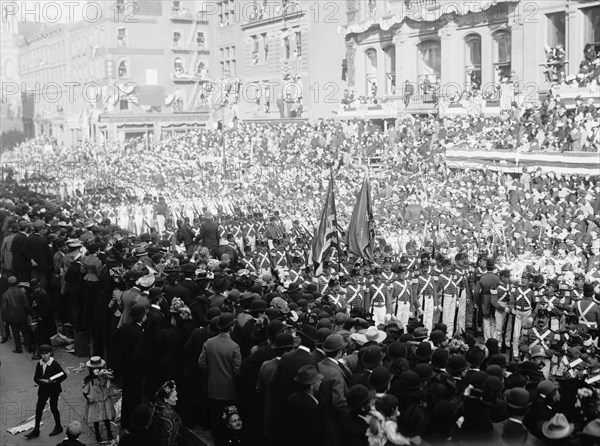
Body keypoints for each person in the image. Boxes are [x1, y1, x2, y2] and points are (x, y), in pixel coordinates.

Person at [198, 312, 241, 446]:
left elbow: (201, 363)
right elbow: (237, 370)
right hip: (228, 387)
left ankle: (216, 436)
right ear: (231, 327)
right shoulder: (234, 347)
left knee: (215, 413)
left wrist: (211, 372)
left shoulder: (209, 343)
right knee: (228, 415)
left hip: (213, 385)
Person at [24, 344, 67, 439]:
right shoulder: (39, 364)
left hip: (53, 390)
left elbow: (63, 375)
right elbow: (36, 377)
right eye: (42, 354)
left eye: (46, 353)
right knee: (39, 408)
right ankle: (36, 429)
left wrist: (53, 381)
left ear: (50, 353)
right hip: (43, 389)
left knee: (53, 407)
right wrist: (40, 381)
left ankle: (58, 426)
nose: (44, 356)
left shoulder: (54, 364)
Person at [116, 303, 147, 430]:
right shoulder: (139, 333)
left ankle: (125, 422)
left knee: (126, 395)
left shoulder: (125, 327)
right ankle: (132, 423)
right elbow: (138, 355)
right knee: (134, 397)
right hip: (135, 370)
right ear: (142, 317)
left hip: (124, 367)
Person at [283, 364, 325, 446]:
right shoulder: (311, 407)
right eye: (318, 380)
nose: (320, 382)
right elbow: (315, 434)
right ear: (311, 385)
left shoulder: (292, 398)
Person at [82, 356, 116, 443]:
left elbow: (109, 383)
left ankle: (109, 432)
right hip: (94, 402)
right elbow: (85, 390)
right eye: (94, 368)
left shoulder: (104, 377)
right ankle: (97, 433)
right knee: (95, 419)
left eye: (98, 368)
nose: (96, 370)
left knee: (106, 418)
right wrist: (88, 396)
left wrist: (104, 376)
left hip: (104, 401)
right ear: (90, 369)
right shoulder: (88, 379)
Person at [1, 275, 32, 353]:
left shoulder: (5, 294)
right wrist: (30, 313)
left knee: (15, 333)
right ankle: (28, 346)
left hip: (12, 318)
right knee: (25, 332)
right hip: (22, 315)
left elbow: (4, 308)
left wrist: (5, 318)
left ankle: (18, 348)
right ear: (16, 283)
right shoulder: (21, 292)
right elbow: (26, 304)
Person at [151, 380, 186, 446]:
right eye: (173, 397)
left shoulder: (158, 405)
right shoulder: (169, 418)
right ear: (165, 399)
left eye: (176, 395)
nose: (177, 398)